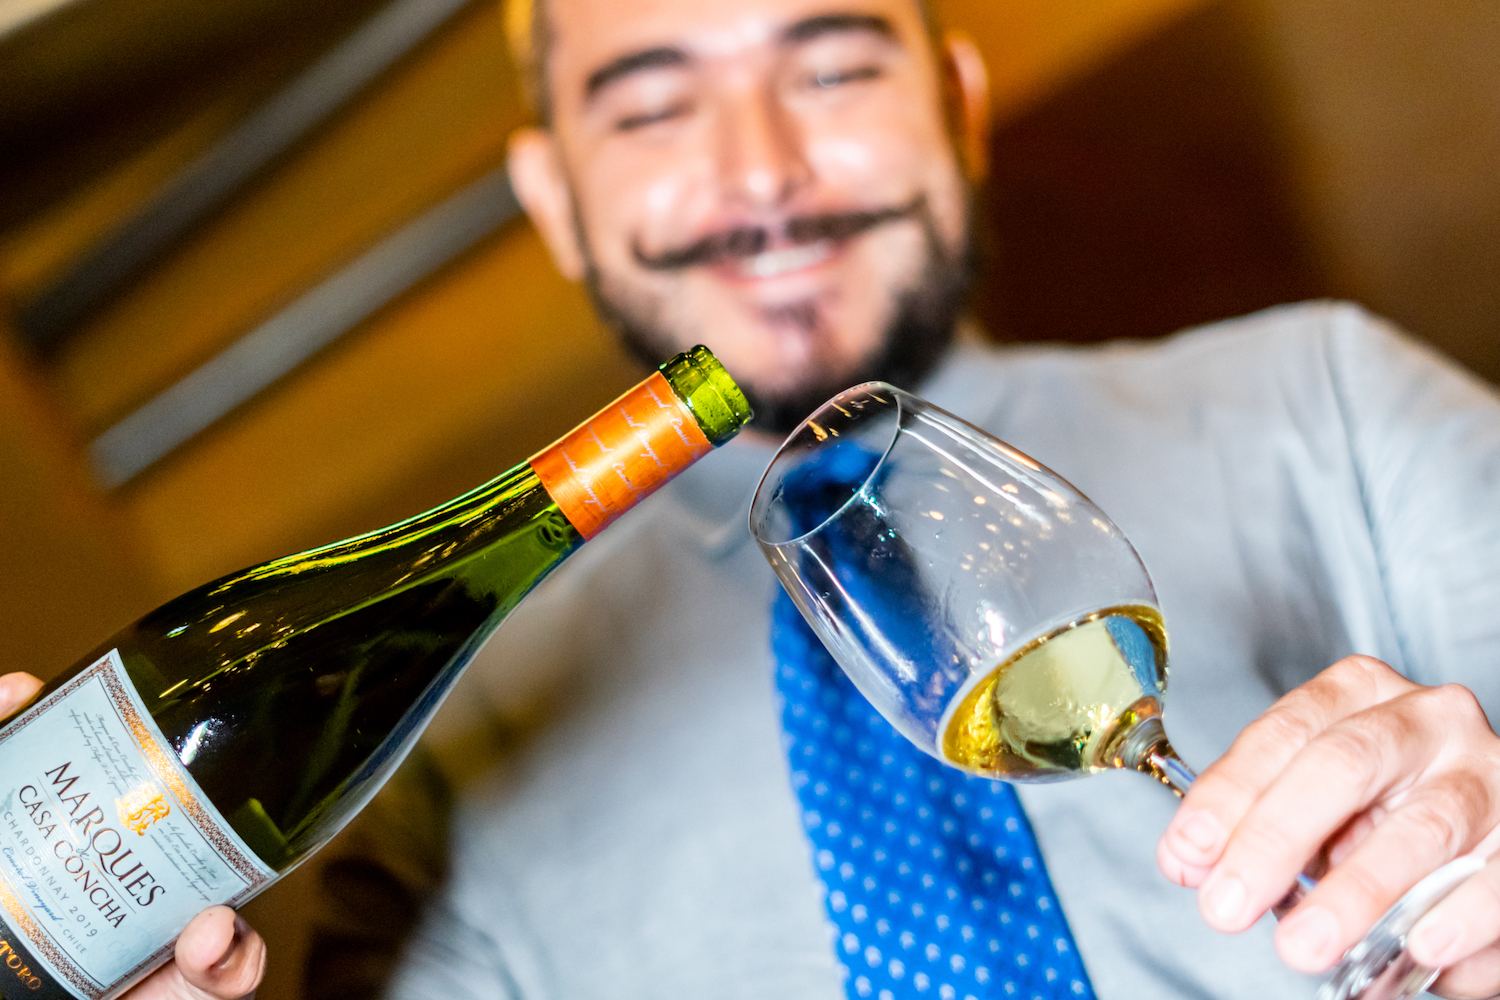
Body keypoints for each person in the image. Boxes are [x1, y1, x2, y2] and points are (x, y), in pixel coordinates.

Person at [12, 0, 1499, 996]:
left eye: (833, 70)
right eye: (653, 109)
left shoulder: (1332, 399)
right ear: (556, 202)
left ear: (957, 105)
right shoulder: (442, 761)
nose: (763, 172)